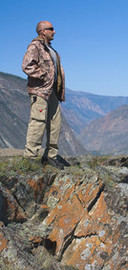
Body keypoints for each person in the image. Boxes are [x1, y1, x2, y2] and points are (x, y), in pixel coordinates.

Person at [22, 21, 69, 168]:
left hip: (53, 91)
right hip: (40, 91)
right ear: (43, 31)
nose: (54, 32)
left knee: (55, 123)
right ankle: (30, 157)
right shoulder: (35, 46)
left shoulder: (51, 50)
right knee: (38, 121)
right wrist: (44, 76)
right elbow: (27, 65)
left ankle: (51, 155)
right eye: (51, 29)